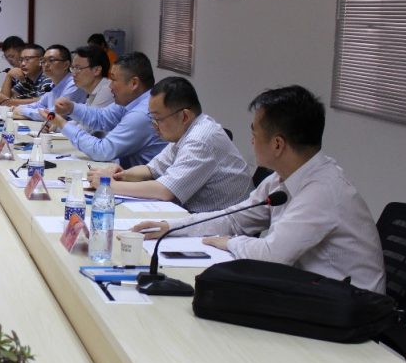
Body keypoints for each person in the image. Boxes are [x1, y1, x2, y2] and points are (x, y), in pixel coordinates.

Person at [133, 85, 386, 292]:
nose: (251, 141)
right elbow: (234, 218)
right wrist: (173, 227)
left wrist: (230, 243)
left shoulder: (323, 190)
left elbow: (272, 255)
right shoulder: (282, 179)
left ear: (277, 145)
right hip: (313, 292)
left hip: (349, 307)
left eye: (254, 133)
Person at [90, 76, 250, 212]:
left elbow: (165, 191)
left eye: (158, 118)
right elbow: (152, 169)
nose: (154, 125)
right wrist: (121, 175)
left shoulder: (200, 139)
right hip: (195, 215)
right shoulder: (185, 133)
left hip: (223, 226)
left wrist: (109, 185)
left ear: (184, 116)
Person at [50, 51, 166, 167]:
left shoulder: (142, 114)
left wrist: (62, 124)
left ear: (134, 83)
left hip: (136, 176)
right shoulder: (131, 100)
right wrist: (71, 108)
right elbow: (102, 117)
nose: (110, 86)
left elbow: (102, 151)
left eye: (114, 80)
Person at [13, 44, 87, 120]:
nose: (46, 65)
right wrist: (19, 108)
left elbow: (55, 115)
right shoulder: (52, 85)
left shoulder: (74, 84)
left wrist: (22, 111)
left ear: (66, 65)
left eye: (51, 60)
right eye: (43, 61)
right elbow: (39, 105)